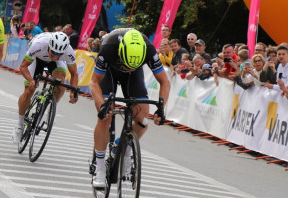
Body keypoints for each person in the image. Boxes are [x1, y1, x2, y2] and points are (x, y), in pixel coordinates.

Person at [90, 28, 170, 188]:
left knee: (142, 120)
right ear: (120, 52)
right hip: (109, 73)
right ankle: (99, 168)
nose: (126, 68)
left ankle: (122, 147)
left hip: (134, 75)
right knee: (105, 117)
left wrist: (161, 107)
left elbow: (164, 81)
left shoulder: (148, 49)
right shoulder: (109, 47)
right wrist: (102, 104)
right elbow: (94, 82)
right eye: (125, 65)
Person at [12, 31, 79, 143]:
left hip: (56, 64)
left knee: (60, 81)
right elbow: (23, 66)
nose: (56, 56)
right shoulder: (39, 45)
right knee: (29, 90)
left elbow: (74, 74)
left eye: (59, 54)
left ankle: (52, 108)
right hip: (36, 59)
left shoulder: (68, 51)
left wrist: (73, 91)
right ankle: (19, 125)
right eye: (53, 52)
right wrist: (31, 80)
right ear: (49, 46)